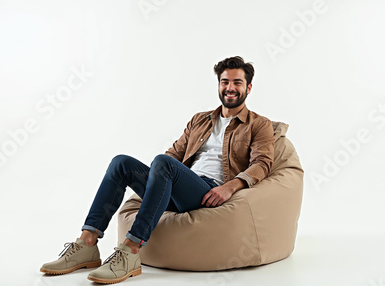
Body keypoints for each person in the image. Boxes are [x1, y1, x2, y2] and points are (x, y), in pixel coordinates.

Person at [40, 56, 275, 284]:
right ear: (219, 85)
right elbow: (174, 153)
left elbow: (262, 163)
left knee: (163, 163)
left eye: (237, 83)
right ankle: (87, 243)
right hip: (179, 188)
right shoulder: (200, 120)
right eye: (225, 82)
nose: (230, 88)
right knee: (121, 163)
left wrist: (229, 187)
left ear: (249, 88)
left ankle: (131, 250)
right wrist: (155, 180)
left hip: (209, 192)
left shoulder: (258, 124)